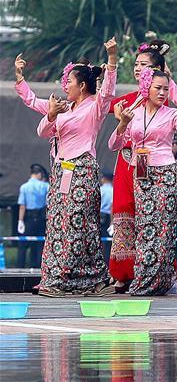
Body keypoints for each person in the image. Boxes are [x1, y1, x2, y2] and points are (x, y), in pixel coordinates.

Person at [29, 38, 119, 297]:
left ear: (82, 85)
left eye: (69, 81)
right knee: (60, 223)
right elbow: (44, 132)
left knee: (78, 223)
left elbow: (108, 92)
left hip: (81, 169)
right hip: (60, 172)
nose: (65, 85)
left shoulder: (94, 107)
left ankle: (65, 279)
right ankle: (85, 279)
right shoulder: (66, 109)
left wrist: (111, 58)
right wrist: (52, 114)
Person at [108, 68, 177, 295]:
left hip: (164, 172)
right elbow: (113, 144)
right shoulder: (133, 111)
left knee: (161, 227)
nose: (162, 93)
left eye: (166, 89)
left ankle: (151, 281)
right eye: (158, 88)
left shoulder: (171, 114)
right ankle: (153, 279)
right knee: (144, 226)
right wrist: (122, 123)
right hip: (140, 173)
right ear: (146, 88)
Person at [16, 163, 49, 269]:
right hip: (41, 218)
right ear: (39, 174)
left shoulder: (24, 187)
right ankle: (38, 267)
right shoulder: (45, 186)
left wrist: (20, 221)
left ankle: (19, 268)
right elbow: (49, 203)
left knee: (23, 244)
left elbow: (22, 206)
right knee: (40, 243)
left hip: (28, 218)